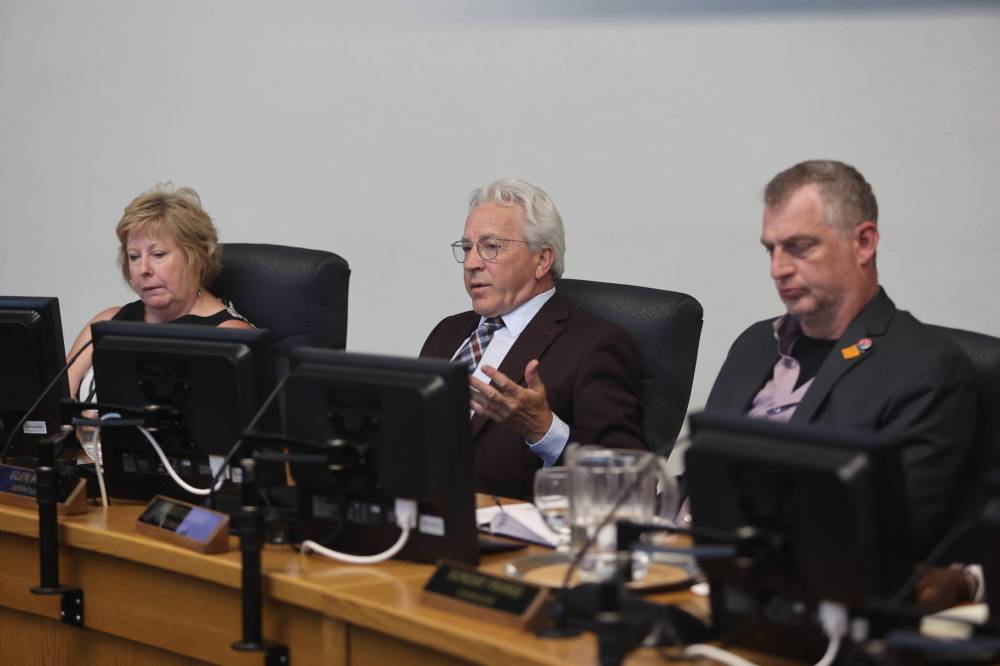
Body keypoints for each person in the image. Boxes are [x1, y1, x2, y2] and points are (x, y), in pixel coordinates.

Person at [704, 159, 976, 556]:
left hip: (789, 577)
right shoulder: (755, 343)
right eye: (771, 249)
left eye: (799, 247)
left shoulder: (925, 369)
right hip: (681, 557)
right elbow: (700, 480)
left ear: (863, 243)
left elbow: (891, 537)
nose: (778, 269)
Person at [420, 178, 645, 500]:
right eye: (467, 248)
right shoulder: (448, 332)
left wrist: (543, 429)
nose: (471, 263)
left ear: (542, 260)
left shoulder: (595, 345)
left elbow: (630, 486)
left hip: (510, 526)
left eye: (491, 247)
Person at [67, 183, 253, 400]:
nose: (143, 269)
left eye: (158, 254)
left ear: (197, 257)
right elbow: (50, 405)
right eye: (134, 257)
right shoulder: (108, 322)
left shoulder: (231, 339)